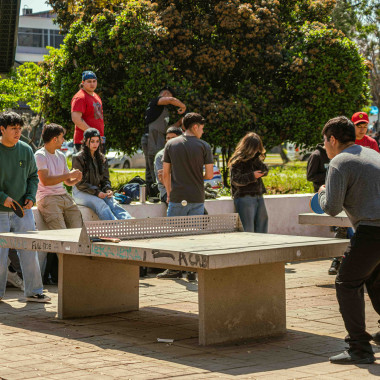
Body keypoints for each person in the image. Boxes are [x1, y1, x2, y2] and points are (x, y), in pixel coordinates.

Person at [319, 115, 380, 364]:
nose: (324, 146)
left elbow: (332, 208)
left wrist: (322, 193)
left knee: (346, 284)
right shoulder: (374, 154)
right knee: (375, 280)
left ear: (333, 139)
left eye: (324, 141)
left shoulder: (339, 163)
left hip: (371, 231)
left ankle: (359, 348)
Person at [0, 111, 50, 303]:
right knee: (0, 256)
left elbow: (32, 177)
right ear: (2, 129)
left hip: (23, 211)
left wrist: (30, 197)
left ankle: (35, 291)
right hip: (1, 211)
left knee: (30, 251)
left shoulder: (25, 149)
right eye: (13, 128)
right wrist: (3, 198)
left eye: (20, 128)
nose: (18, 132)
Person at [157, 113, 213, 280]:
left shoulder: (171, 145)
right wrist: (196, 175)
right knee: (194, 235)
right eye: (202, 128)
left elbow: (165, 174)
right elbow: (209, 175)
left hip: (177, 196)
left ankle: (174, 269)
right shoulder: (204, 146)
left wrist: (168, 193)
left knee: (173, 234)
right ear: (195, 127)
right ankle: (192, 270)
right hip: (197, 197)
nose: (202, 132)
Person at [35, 123, 83, 283]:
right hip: (47, 198)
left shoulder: (60, 156)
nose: (64, 140)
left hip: (64, 197)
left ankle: (77, 271)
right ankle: (67, 277)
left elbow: (66, 181)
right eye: (62, 137)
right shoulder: (40, 155)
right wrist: (67, 176)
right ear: (55, 139)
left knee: (79, 233)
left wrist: (74, 179)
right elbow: (46, 181)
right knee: (62, 237)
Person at [72, 128, 132, 220]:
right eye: (92, 141)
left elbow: (105, 179)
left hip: (97, 191)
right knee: (100, 204)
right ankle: (115, 228)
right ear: (85, 141)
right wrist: (97, 192)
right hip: (80, 192)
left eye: (97, 141)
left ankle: (129, 223)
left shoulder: (102, 158)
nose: (95, 144)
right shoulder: (78, 158)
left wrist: (107, 189)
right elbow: (80, 183)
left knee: (113, 202)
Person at [142, 86, 186, 197]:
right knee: (155, 167)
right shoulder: (155, 102)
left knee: (153, 167)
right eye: (171, 97)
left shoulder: (162, 110)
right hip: (153, 138)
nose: (171, 101)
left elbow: (167, 130)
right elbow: (171, 100)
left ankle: (152, 193)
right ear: (165, 94)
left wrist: (180, 122)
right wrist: (183, 106)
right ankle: (156, 193)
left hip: (157, 138)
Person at [229, 132, 269, 233]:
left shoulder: (255, 158)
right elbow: (235, 180)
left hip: (258, 195)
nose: (256, 150)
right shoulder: (238, 160)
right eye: (255, 147)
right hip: (244, 196)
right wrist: (252, 176)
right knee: (248, 227)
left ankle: (262, 246)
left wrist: (257, 159)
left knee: (262, 224)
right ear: (249, 146)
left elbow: (265, 170)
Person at [71, 71, 105, 152]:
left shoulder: (96, 96)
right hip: (84, 142)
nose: (92, 84)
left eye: (94, 81)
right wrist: (92, 133)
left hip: (98, 141)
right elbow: (76, 119)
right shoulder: (80, 97)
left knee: (101, 165)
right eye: (89, 81)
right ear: (83, 83)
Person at [154, 126, 183, 204]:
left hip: (184, 190)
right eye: (168, 138)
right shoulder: (160, 155)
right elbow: (164, 179)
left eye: (173, 138)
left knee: (203, 214)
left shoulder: (185, 153)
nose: (169, 141)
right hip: (167, 191)